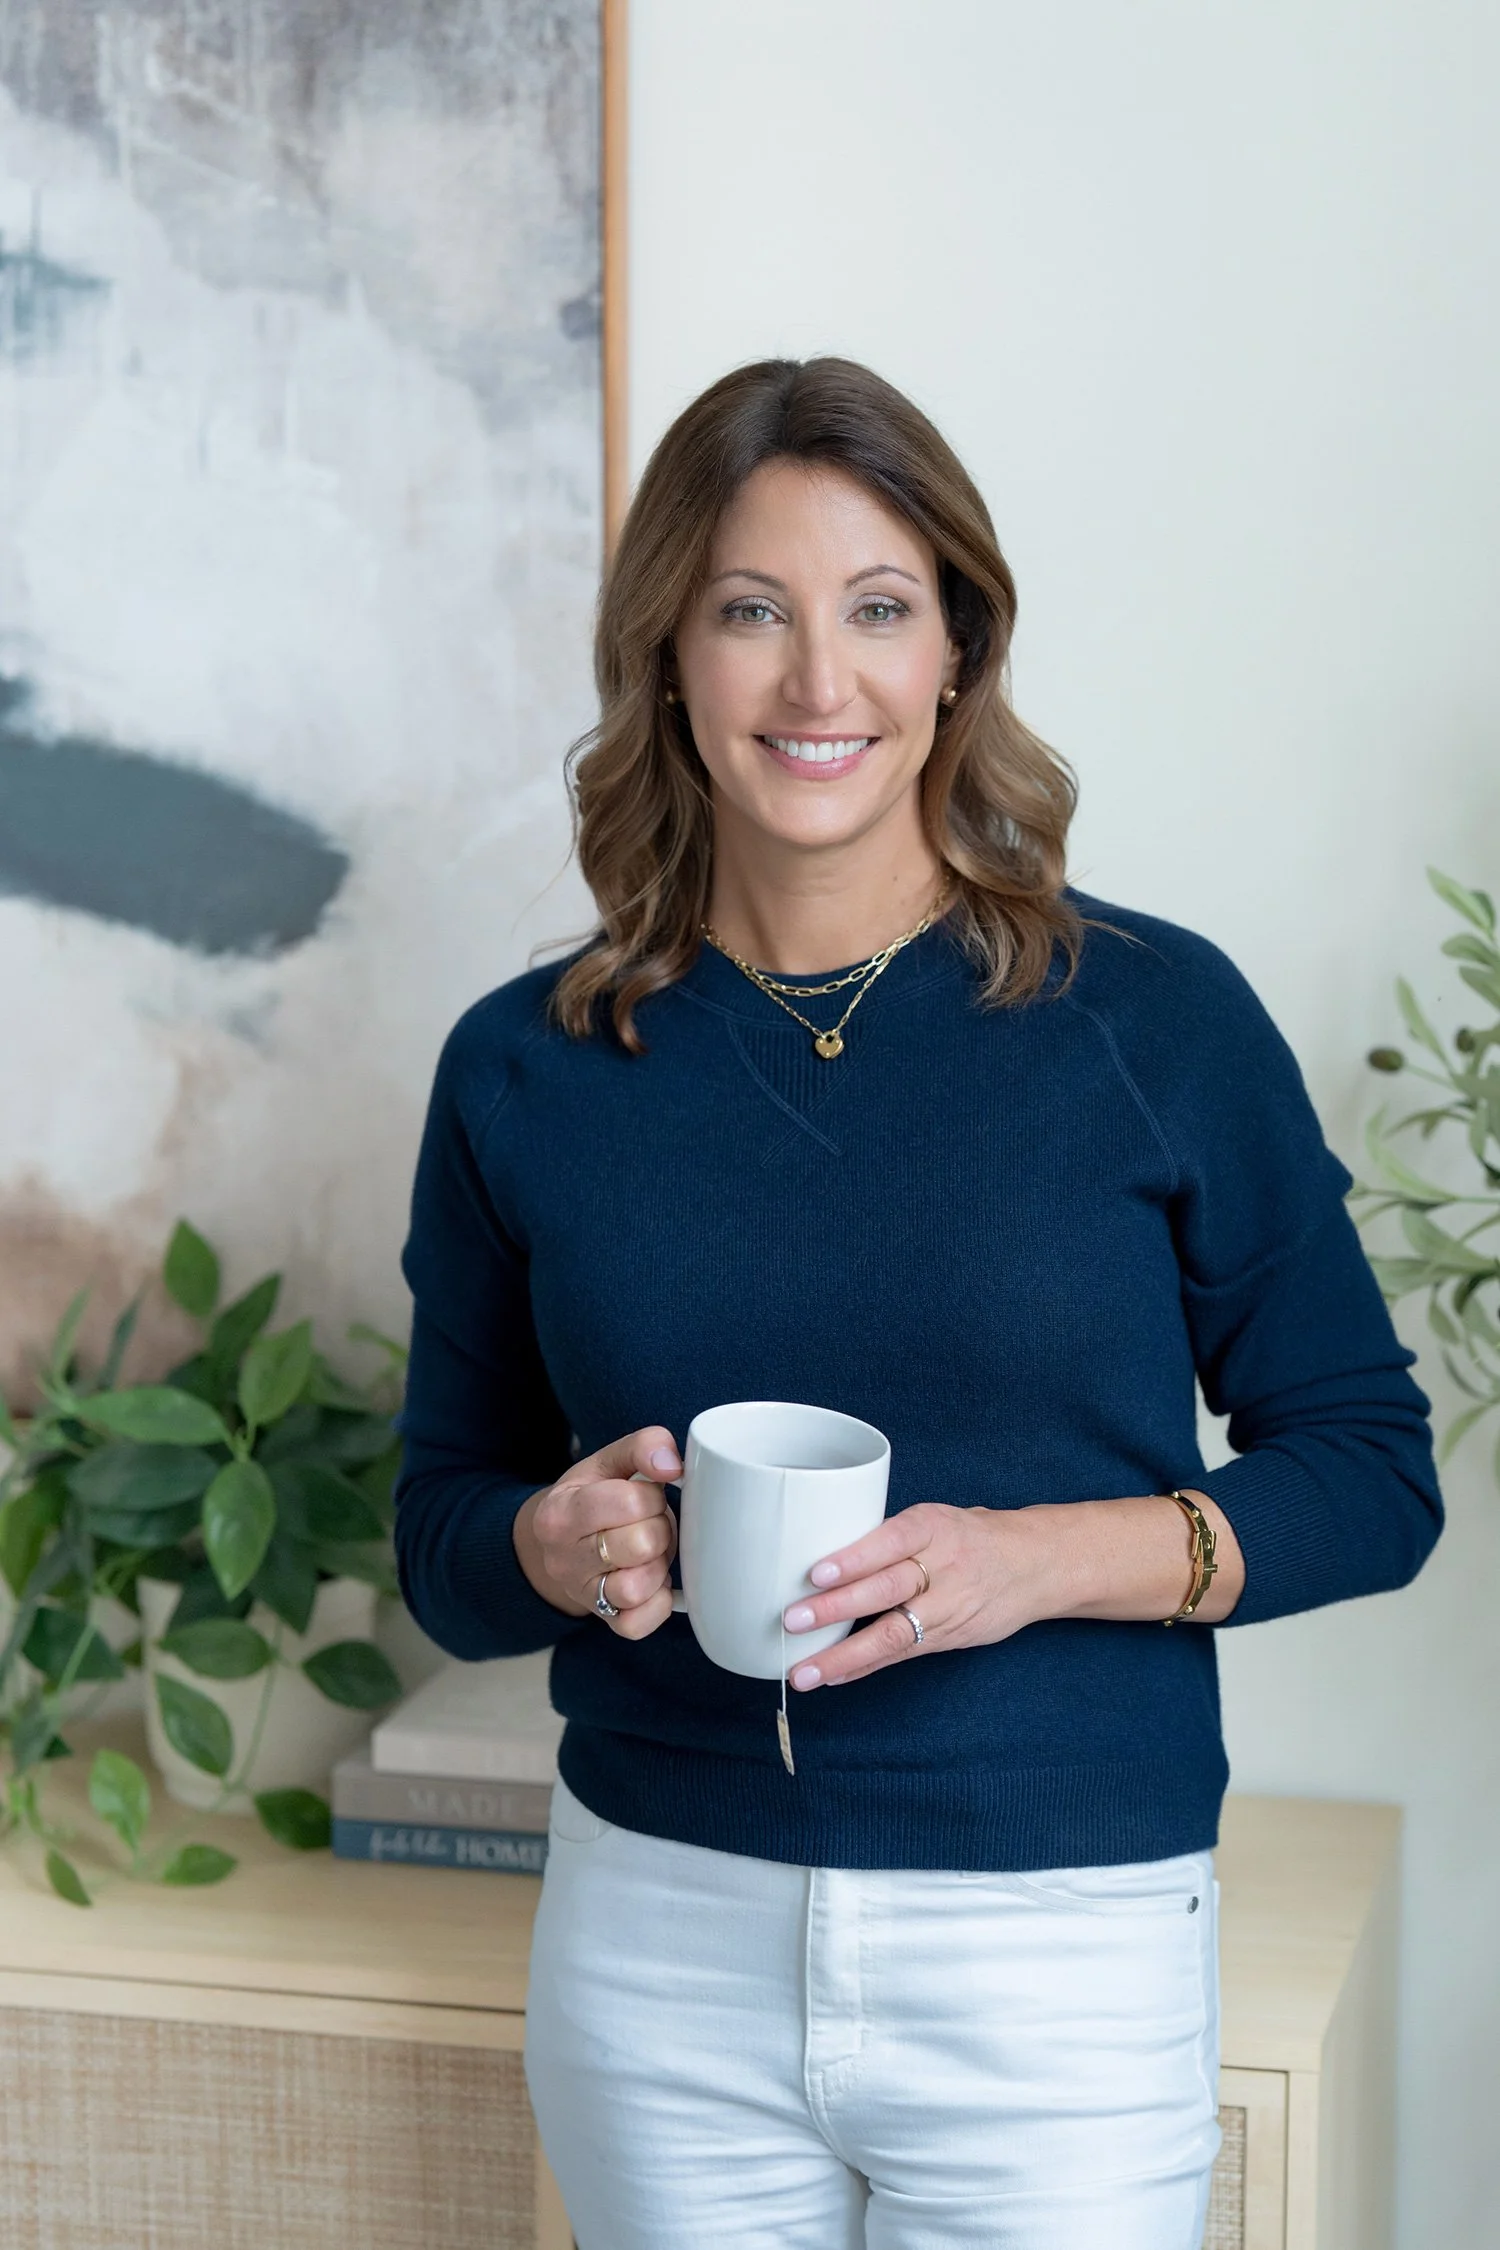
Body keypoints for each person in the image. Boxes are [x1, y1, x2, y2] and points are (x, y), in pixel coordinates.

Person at [393, 357, 1443, 2250]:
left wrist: (1037, 1562)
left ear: (956, 648)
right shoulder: (521, 1070)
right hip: (656, 1941)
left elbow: (1373, 1472)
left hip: (1060, 1951)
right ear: (666, 661)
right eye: (750, 612)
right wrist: (546, 1543)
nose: (819, 684)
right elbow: (439, 1529)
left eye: (878, 610)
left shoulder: (1154, 1021)